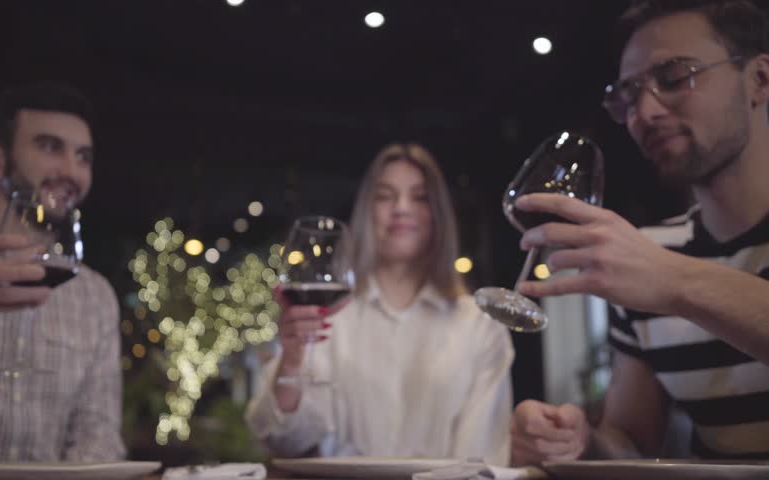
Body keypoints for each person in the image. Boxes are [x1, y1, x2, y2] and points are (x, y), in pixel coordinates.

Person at [509, 0, 769, 464]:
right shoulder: (654, 252)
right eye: (628, 95)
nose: (643, 112)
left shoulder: (655, 266)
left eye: (673, 78)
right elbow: (632, 441)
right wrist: (579, 442)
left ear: (759, 80)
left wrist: (674, 281)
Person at [246, 143, 514, 463]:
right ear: (366, 211)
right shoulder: (329, 319)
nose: (401, 207)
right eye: (385, 196)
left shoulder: (480, 326)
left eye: (419, 197)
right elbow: (284, 439)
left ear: (438, 214)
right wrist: (290, 360)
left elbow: (482, 458)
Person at [0, 82, 125, 475]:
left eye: (83, 157)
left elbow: (98, 436)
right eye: (50, 147)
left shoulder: (95, 295)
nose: (71, 171)